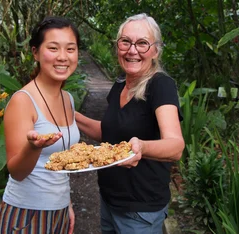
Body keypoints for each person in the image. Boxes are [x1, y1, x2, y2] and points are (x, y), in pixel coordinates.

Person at [75, 13, 185, 234]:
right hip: (108, 201)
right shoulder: (119, 85)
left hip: (140, 212)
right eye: (125, 42)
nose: (132, 50)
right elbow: (109, 132)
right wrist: (70, 115)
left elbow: (175, 146)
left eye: (142, 43)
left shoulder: (161, 85)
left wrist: (142, 147)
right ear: (117, 47)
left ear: (155, 51)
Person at [0, 16, 80, 234]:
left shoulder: (68, 98)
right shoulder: (23, 101)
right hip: (25, 214)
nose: (63, 57)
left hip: (58, 212)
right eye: (53, 48)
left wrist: (66, 203)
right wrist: (33, 147)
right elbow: (17, 172)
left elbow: (59, 164)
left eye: (70, 49)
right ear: (35, 52)